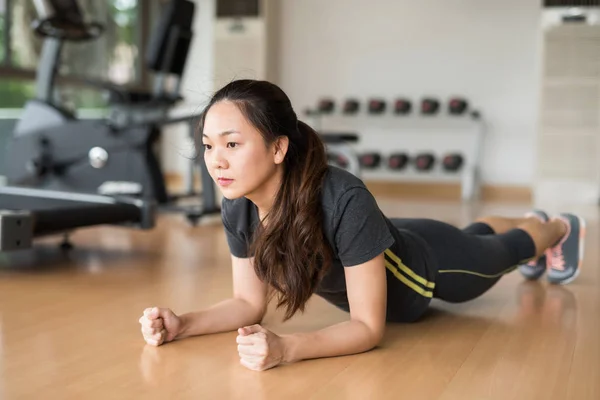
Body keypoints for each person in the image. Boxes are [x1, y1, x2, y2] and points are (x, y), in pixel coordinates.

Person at [138, 79, 586, 371]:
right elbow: (246, 302)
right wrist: (184, 323)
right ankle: (530, 222)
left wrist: (288, 348)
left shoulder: (341, 197)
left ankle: (556, 229)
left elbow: (369, 328)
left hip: (425, 273)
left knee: (501, 255)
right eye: (208, 145)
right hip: (389, 237)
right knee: (476, 239)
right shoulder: (240, 205)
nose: (216, 160)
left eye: (232, 144)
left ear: (278, 148)